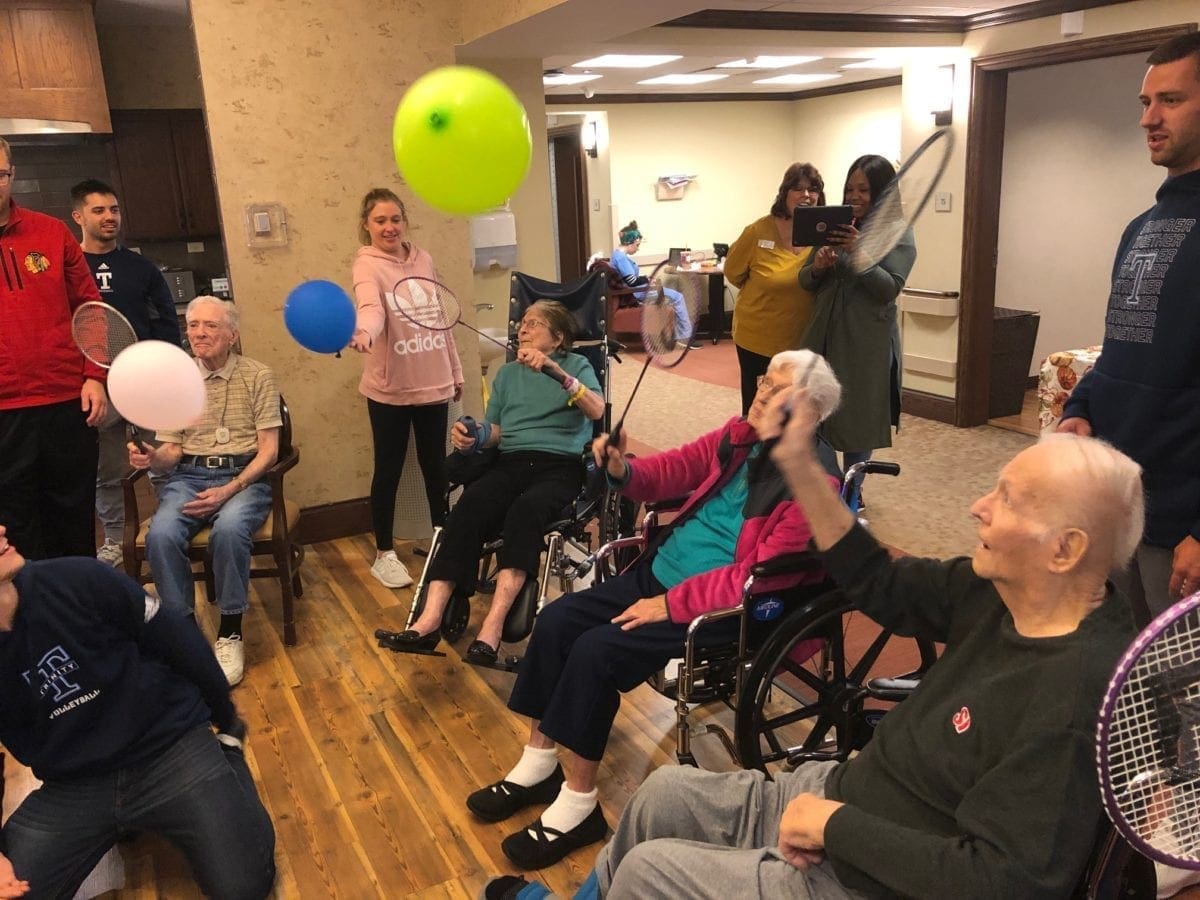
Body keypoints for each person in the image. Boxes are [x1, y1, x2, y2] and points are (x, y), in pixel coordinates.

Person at [485, 385, 1143, 899]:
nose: (978, 505)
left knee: (651, 874)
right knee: (660, 797)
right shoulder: (992, 591)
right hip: (850, 792)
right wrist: (799, 461)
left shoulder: (1074, 695)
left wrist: (834, 829)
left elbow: (1003, 883)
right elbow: (877, 580)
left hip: (871, 879)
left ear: (1066, 549)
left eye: (1008, 498)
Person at [464, 350, 842, 871]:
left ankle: (578, 805)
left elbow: (751, 581)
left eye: (776, 389)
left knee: (596, 652)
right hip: (659, 572)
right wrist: (623, 468)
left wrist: (668, 605)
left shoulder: (813, 486)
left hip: (715, 611)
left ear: (810, 413)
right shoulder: (740, 436)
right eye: (762, 381)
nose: (759, 392)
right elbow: (673, 469)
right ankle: (539, 762)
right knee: (555, 621)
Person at [0, 525, 276, 899]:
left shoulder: (79, 578)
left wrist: (223, 716)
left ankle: (227, 752)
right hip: (73, 784)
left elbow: (178, 640)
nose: (2, 527)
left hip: (167, 749)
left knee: (242, 888)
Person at [1058, 31, 1200, 624]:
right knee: (1125, 681)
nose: (1149, 118)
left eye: (1169, 100)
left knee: (1181, 703)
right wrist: (1081, 404)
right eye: (1145, 103)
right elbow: (1122, 344)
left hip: (1181, 527)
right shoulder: (1141, 226)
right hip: (1121, 505)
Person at [387, 300, 604, 663]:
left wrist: (555, 372)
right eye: (522, 322)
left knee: (525, 511)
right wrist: (474, 435)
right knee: (468, 508)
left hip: (559, 465)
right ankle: (428, 620)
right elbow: (497, 431)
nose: (523, 329)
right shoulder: (506, 374)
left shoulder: (577, 366)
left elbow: (597, 410)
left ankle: (493, 627)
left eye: (534, 324)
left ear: (558, 337)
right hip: (511, 461)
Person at [129, 297, 281, 686]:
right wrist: (151, 458)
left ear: (232, 334)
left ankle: (230, 630)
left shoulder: (258, 375)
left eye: (210, 326)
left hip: (243, 476)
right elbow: (172, 453)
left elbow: (270, 449)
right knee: (161, 535)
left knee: (230, 530)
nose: (198, 333)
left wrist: (232, 487)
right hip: (189, 477)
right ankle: (182, 631)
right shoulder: (178, 381)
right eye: (193, 325)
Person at [349, 188, 463, 590]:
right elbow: (371, 307)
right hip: (390, 390)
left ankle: (441, 542)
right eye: (380, 220)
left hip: (434, 382)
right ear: (367, 225)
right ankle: (384, 553)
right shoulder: (367, 266)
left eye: (395, 219)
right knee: (389, 469)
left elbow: (439, 318)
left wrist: (455, 372)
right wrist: (363, 332)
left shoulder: (424, 259)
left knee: (437, 467)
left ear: (404, 221)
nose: (389, 227)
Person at [0, 136, 107, 562]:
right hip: (4, 413)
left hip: (68, 400)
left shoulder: (51, 231)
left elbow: (91, 308)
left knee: (74, 518)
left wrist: (95, 376)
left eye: (0, 174)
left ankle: (80, 615)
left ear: (12, 175)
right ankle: (33, 624)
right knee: (16, 526)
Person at [71, 177, 182, 569]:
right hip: (95, 388)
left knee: (162, 461)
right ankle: (116, 542)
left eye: (114, 209)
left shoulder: (142, 268)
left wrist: (166, 368)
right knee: (107, 473)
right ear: (78, 216)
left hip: (145, 383)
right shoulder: (70, 266)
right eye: (98, 210)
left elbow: (167, 321)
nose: (109, 217)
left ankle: (171, 530)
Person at [799, 155, 915, 482]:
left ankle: (852, 489)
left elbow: (889, 287)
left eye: (864, 189)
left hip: (866, 341)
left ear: (881, 191)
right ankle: (826, 485)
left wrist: (856, 251)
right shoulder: (836, 224)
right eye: (850, 188)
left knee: (857, 418)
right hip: (823, 334)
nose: (854, 196)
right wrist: (819, 266)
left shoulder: (898, 232)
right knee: (812, 413)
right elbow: (804, 280)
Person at [725, 163, 825, 414]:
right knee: (758, 408)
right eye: (798, 189)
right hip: (757, 337)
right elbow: (733, 273)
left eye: (812, 190)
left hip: (802, 338)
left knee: (795, 410)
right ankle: (751, 454)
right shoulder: (758, 231)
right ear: (785, 193)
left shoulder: (823, 233)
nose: (805, 195)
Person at [608, 221, 698, 348]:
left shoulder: (616, 256)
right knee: (677, 297)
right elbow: (632, 281)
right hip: (637, 294)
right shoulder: (621, 258)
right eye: (637, 245)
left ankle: (676, 334)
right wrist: (647, 280)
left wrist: (647, 280)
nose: (638, 248)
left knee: (671, 298)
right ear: (630, 242)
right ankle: (685, 336)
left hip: (635, 291)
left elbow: (629, 279)